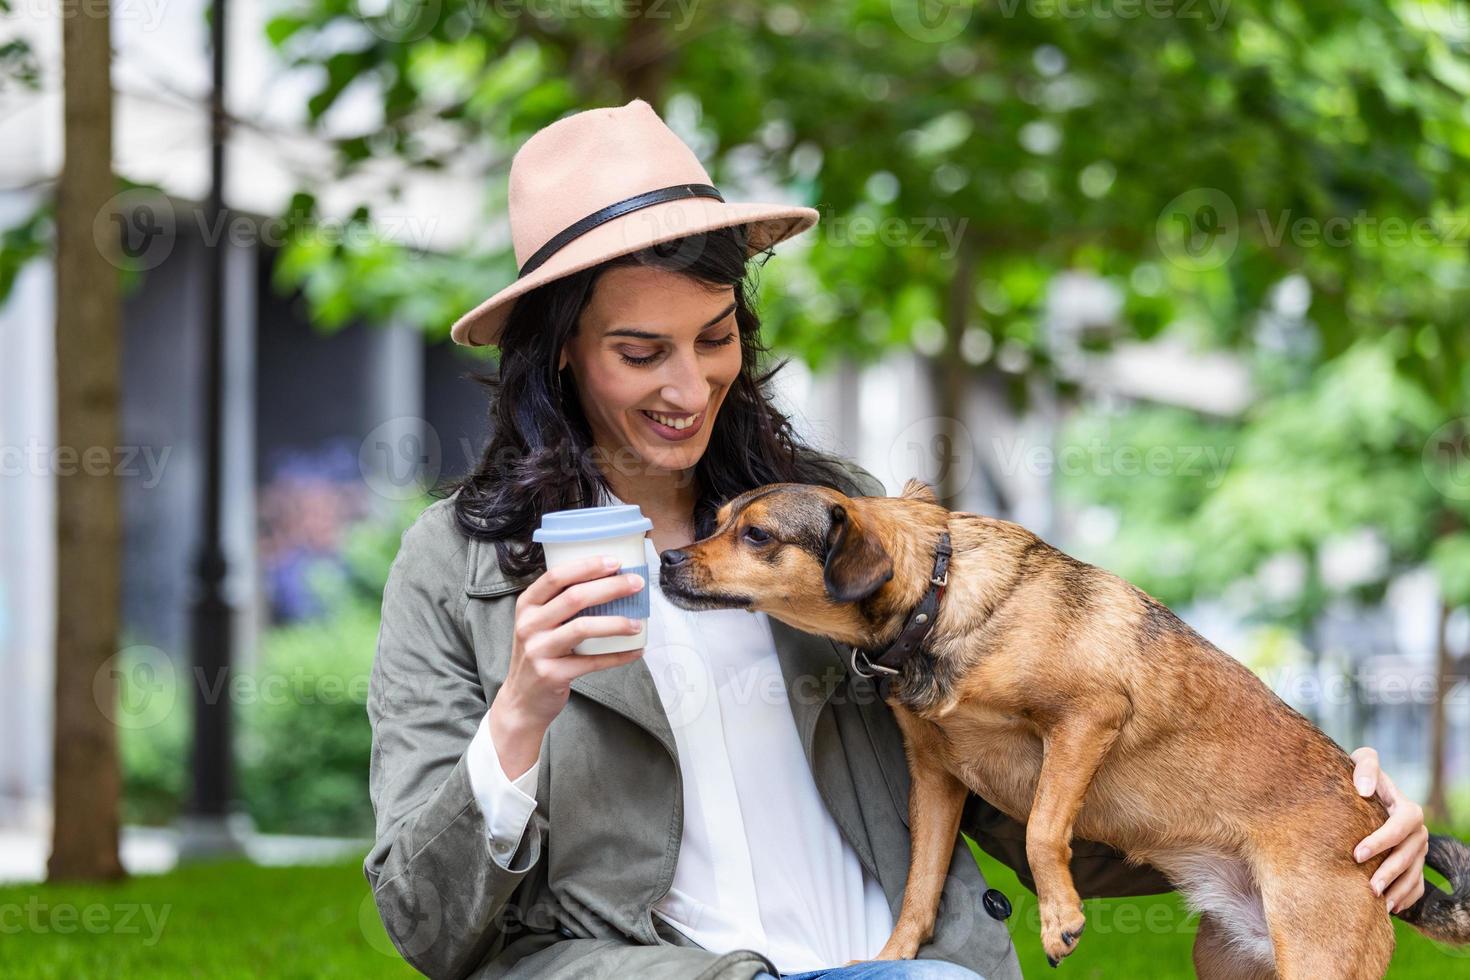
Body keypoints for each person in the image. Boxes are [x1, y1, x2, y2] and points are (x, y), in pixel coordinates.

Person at [363, 98, 1429, 980]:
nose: (689, 386)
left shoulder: (846, 529)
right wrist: (517, 716)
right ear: (559, 354)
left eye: (717, 334)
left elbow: (1017, 787)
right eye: (640, 352)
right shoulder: (457, 570)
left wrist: (1328, 823)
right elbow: (426, 919)